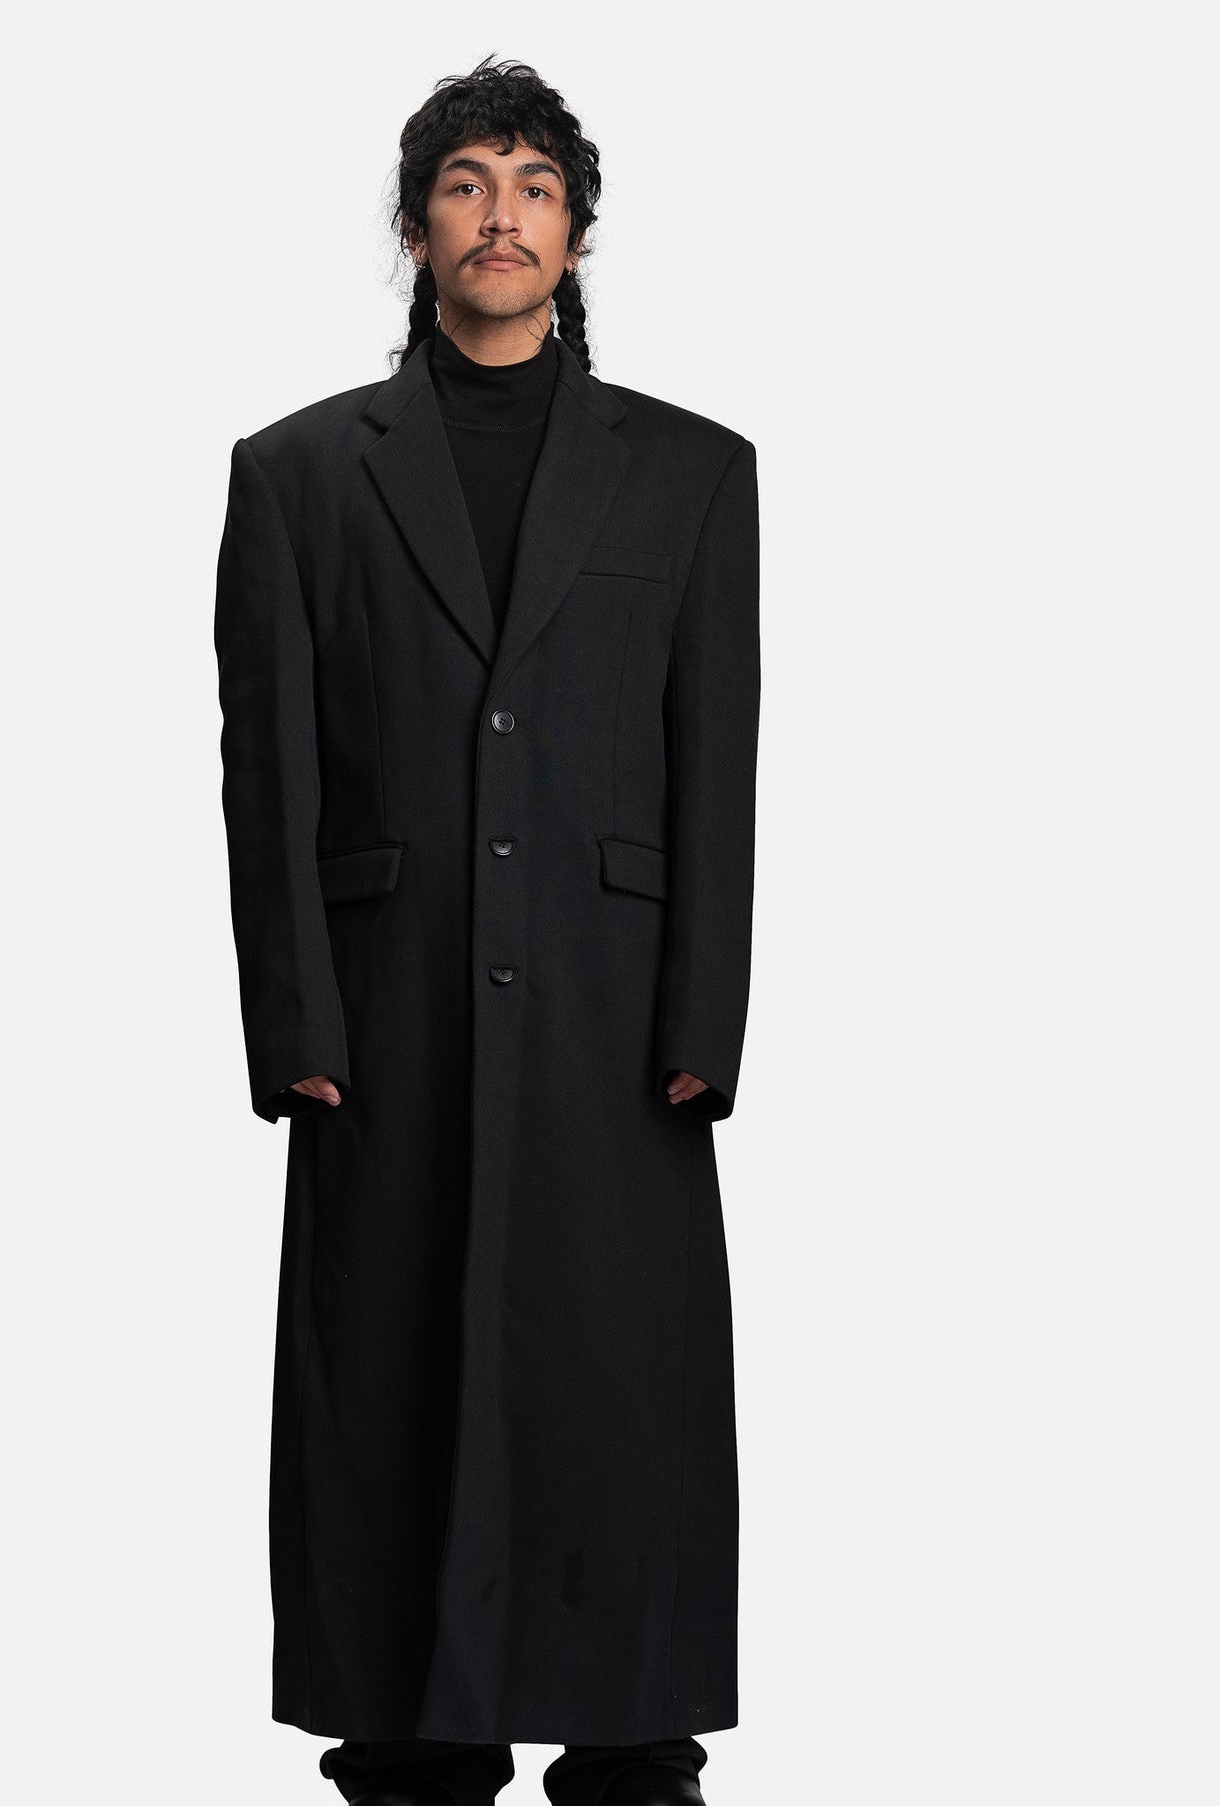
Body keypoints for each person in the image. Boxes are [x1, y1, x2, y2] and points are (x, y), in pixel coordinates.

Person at [213, 56, 760, 1806]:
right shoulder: (299, 473)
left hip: (616, 1017)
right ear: (413, 228)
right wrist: (296, 1021)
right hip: (384, 1015)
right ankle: (408, 1742)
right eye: (464, 183)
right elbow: (268, 775)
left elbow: (715, 764)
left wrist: (704, 1021)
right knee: (387, 1370)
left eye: (532, 187)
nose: (499, 215)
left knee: (614, 1377)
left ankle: (630, 1741)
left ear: (576, 236)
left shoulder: (691, 474)